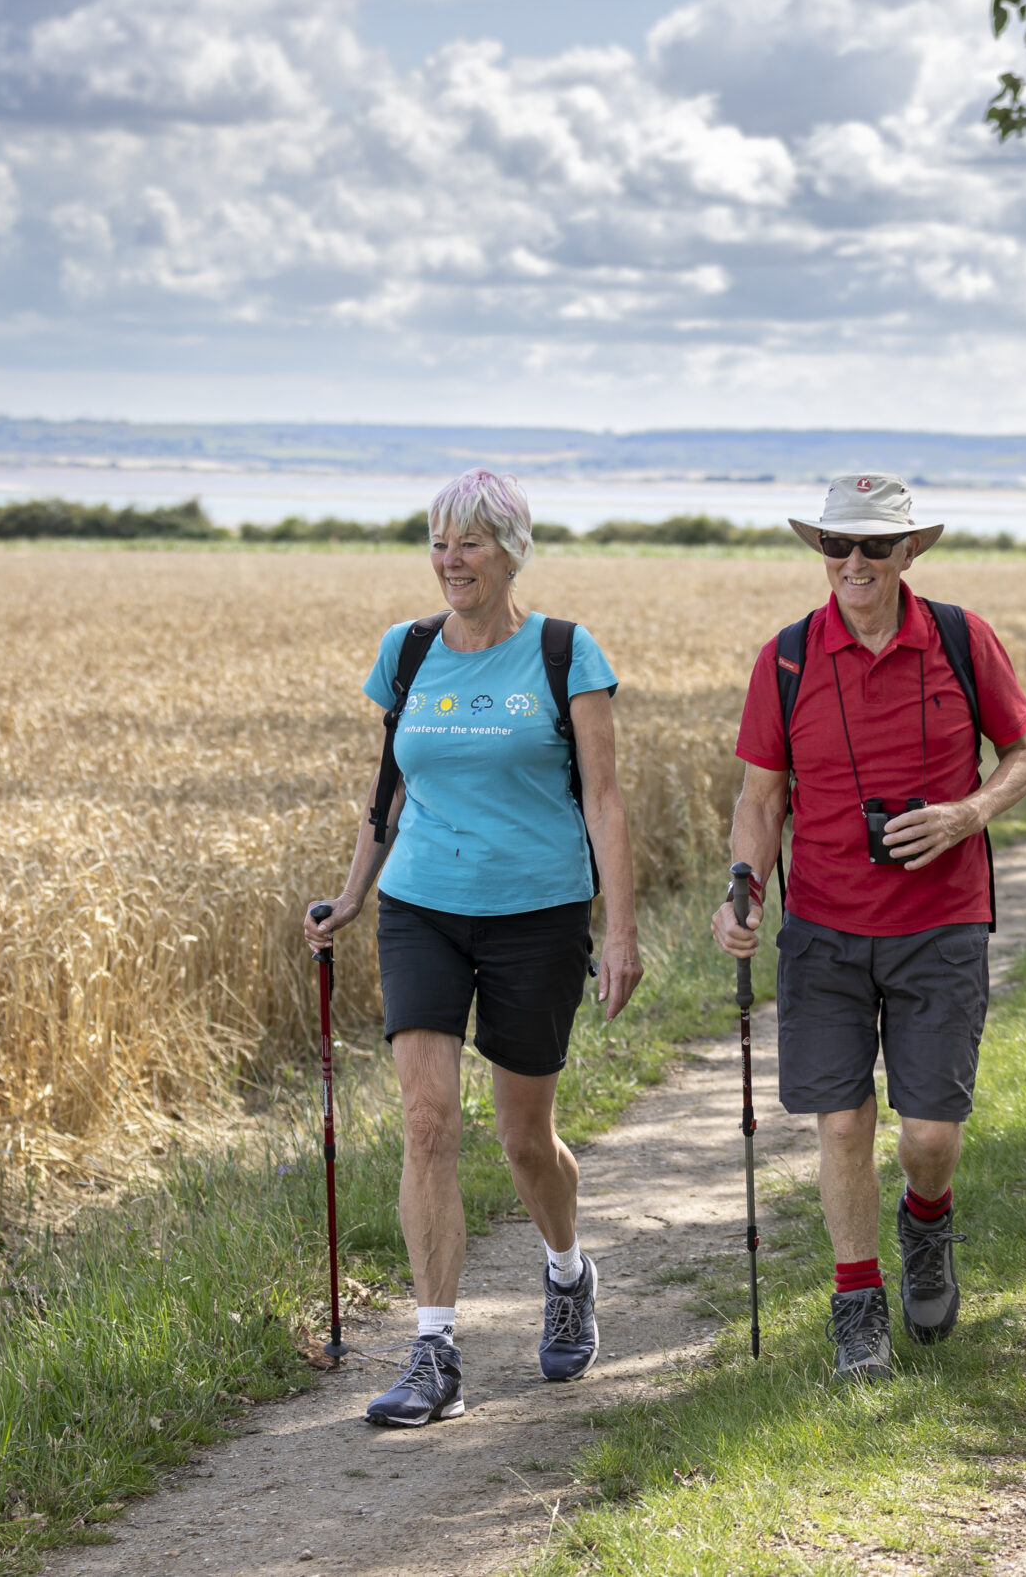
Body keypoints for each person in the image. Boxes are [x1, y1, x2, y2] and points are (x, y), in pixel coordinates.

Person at [306, 468, 643, 1428]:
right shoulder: (406, 653)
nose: (452, 560)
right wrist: (351, 896)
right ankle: (434, 1349)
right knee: (426, 1121)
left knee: (524, 1139)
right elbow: (389, 791)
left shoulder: (565, 654)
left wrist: (618, 931)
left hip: (536, 913)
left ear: (511, 550)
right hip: (423, 908)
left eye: (472, 542)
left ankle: (568, 1269)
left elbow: (605, 800)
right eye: (439, 542)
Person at [710, 474, 1026, 1382]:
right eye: (836, 546)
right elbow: (760, 797)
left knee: (929, 1137)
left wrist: (966, 815)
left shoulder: (960, 639)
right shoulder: (785, 659)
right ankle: (856, 1303)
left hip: (941, 923)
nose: (852, 563)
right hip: (822, 927)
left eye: (872, 546)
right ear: (821, 552)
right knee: (842, 1126)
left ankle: (927, 1224)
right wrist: (744, 884)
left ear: (908, 552)